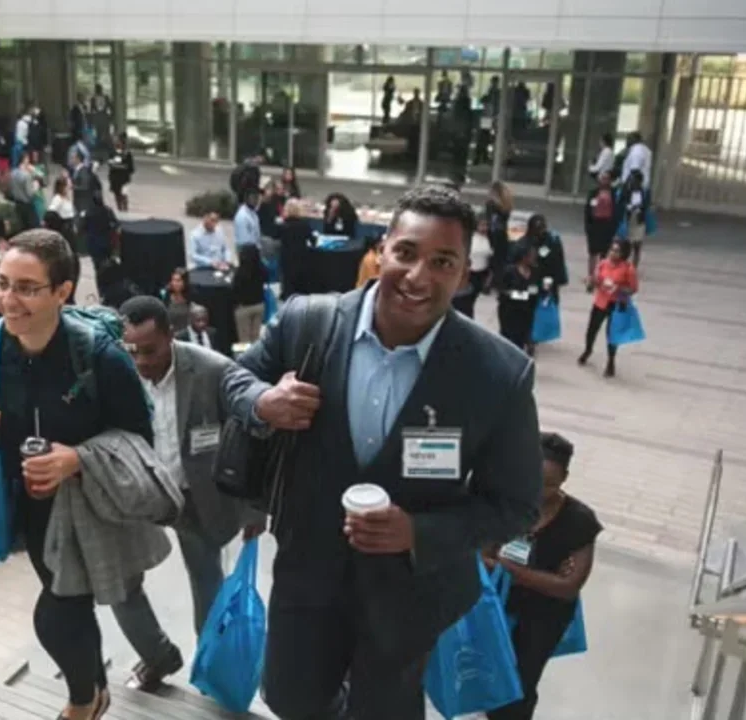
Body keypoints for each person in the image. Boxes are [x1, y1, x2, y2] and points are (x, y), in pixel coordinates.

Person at [221, 185, 543, 720]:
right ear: (382, 249)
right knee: (289, 698)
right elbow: (231, 379)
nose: (419, 276)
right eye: (408, 253)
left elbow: (518, 505)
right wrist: (262, 401)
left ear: (465, 274)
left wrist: (418, 531)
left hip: (408, 594)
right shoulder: (310, 321)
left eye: (443, 262)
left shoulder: (498, 375)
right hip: (309, 575)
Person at [0, 229, 154, 720]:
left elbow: (140, 438)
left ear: (62, 292)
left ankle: (81, 702)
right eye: (2, 283)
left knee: (54, 615)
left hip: (87, 510)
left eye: (27, 287)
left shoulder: (99, 358)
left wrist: (77, 459)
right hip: (29, 507)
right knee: (72, 607)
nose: (9, 299)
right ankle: (96, 689)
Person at [113, 296, 265, 691]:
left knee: (206, 580)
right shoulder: (116, 370)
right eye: (133, 351)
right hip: (139, 494)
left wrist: (253, 508)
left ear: (171, 336)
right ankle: (158, 657)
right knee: (118, 581)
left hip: (197, 497)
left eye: (150, 350)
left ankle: (210, 660)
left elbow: (250, 436)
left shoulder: (213, 371)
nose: (141, 361)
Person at [485, 432, 601, 720]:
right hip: (494, 606)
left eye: (550, 484)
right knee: (486, 673)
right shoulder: (505, 500)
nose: (540, 491)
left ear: (565, 478)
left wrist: (507, 569)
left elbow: (569, 587)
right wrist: (543, 577)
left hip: (543, 616)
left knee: (522, 682)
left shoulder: (579, 521)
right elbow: (480, 554)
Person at [578, 239, 639, 378]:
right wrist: (591, 282)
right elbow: (596, 279)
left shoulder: (628, 269)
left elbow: (633, 288)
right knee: (592, 329)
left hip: (616, 304)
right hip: (601, 301)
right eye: (612, 250)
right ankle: (588, 350)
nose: (613, 253)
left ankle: (611, 361)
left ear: (623, 253)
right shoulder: (603, 263)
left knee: (611, 334)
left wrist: (619, 288)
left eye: (617, 251)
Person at [497, 240, 539, 353]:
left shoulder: (534, 272)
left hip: (526, 314)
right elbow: (502, 291)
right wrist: (523, 295)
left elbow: (534, 291)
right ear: (524, 257)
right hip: (510, 314)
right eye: (531, 255)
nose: (534, 258)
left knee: (521, 343)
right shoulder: (510, 271)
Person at [522, 214, 568, 304]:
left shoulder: (551, 242)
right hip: (543, 278)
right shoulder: (552, 239)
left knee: (545, 297)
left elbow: (552, 263)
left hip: (547, 277)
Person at [584, 171, 619, 281]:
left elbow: (617, 210)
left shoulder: (614, 193)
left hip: (607, 225)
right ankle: (590, 275)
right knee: (593, 251)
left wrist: (614, 226)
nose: (604, 181)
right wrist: (587, 225)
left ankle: (601, 274)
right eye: (602, 178)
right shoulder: (593, 193)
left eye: (607, 178)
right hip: (595, 224)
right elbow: (587, 210)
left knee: (604, 252)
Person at [278, 198, 314, 299]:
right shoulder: (304, 225)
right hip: (301, 259)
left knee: (288, 285)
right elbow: (313, 240)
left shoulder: (283, 226)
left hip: (287, 259)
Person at [232, 243, 268, 343]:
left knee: (244, 341)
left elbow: (235, 291)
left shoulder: (240, 273)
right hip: (259, 306)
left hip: (244, 309)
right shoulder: (262, 269)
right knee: (256, 338)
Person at [618, 169, 650, 269]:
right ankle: (623, 265)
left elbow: (647, 205)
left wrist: (640, 208)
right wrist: (628, 206)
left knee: (637, 245)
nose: (633, 182)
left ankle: (634, 268)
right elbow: (620, 203)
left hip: (639, 220)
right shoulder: (626, 190)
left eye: (635, 180)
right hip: (628, 219)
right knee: (626, 244)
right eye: (631, 180)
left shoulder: (644, 192)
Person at [485, 181, 513, 290]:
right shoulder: (506, 205)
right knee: (500, 260)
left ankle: (488, 283)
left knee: (492, 259)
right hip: (502, 234)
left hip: (494, 234)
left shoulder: (491, 204)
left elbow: (490, 221)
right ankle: (499, 283)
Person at [9, 152, 39, 231]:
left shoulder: (13, 173)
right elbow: (30, 194)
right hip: (27, 206)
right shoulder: (26, 176)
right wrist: (35, 187)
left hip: (17, 204)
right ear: (24, 160)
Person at [108, 133, 134, 212]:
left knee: (124, 194)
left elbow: (131, 167)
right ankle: (119, 208)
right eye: (116, 142)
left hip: (124, 178)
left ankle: (125, 208)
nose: (117, 143)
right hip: (114, 178)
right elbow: (110, 163)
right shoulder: (112, 152)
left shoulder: (127, 154)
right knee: (117, 194)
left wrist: (123, 167)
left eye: (118, 142)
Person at [469, 213, 492, 294]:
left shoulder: (490, 239)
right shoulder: (470, 237)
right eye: (482, 225)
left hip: (482, 273)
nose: (484, 228)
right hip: (469, 273)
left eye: (486, 225)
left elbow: (490, 259)